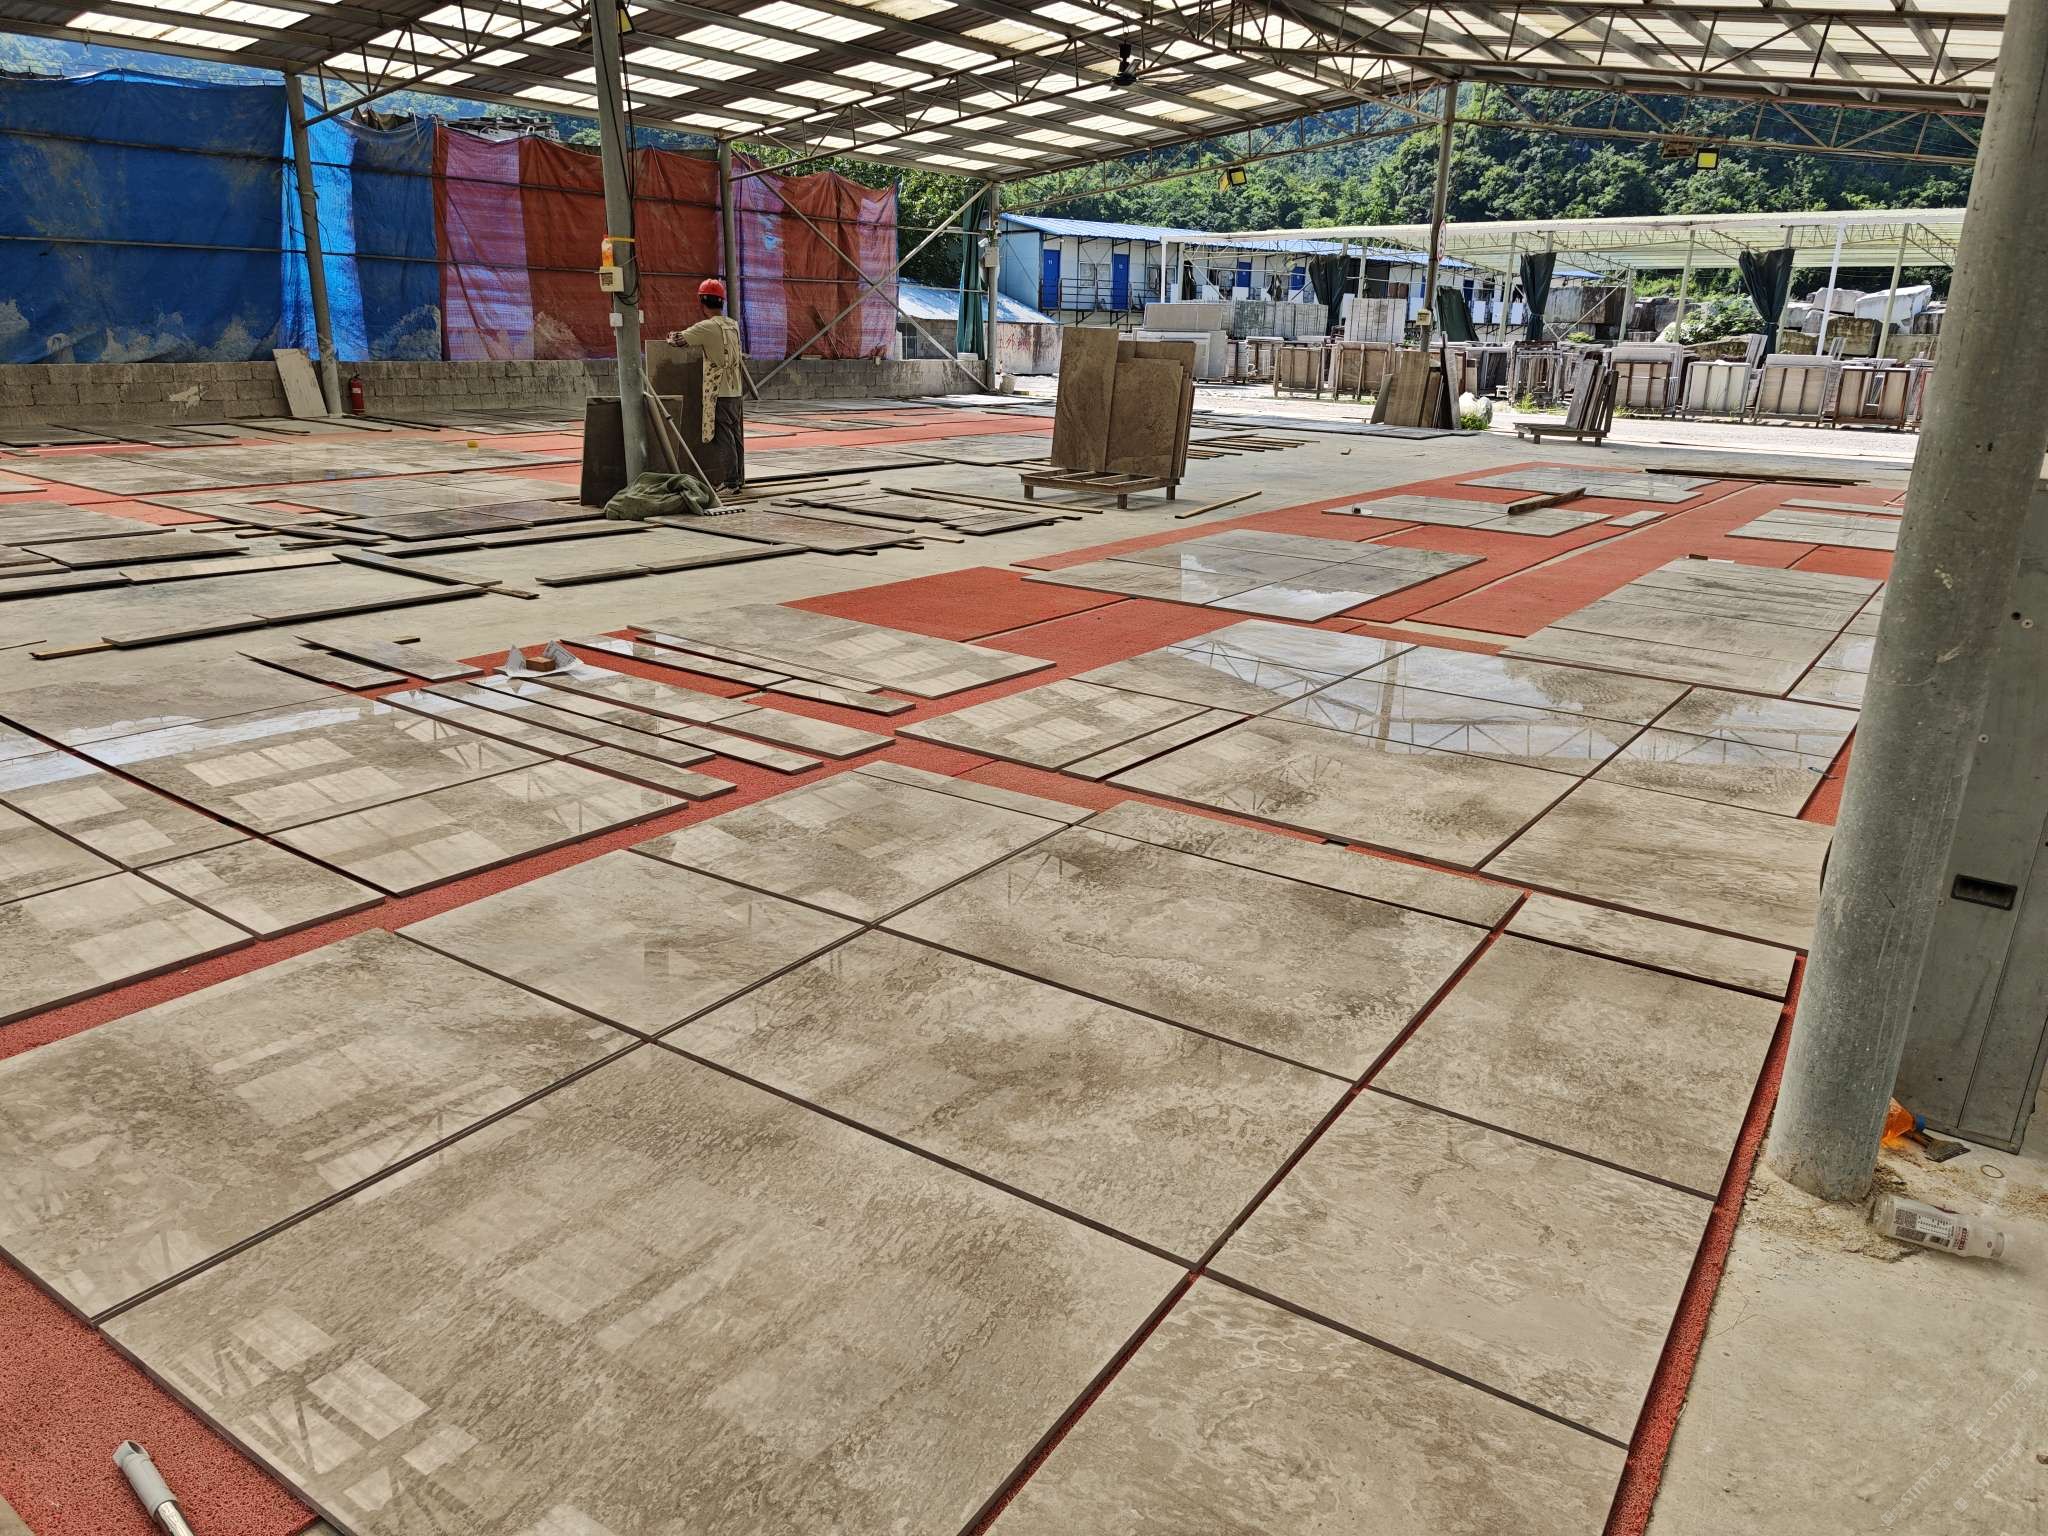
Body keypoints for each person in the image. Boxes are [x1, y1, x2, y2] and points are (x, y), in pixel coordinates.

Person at [668, 278, 744, 490]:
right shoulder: (732, 325)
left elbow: (678, 340)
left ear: (702, 302)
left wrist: (669, 337)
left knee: (723, 437)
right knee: (735, 436)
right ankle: (738, 479)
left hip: (719, 392)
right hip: (735, 390)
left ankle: (731, 483)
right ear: (722, 302)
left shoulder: (706, 327)